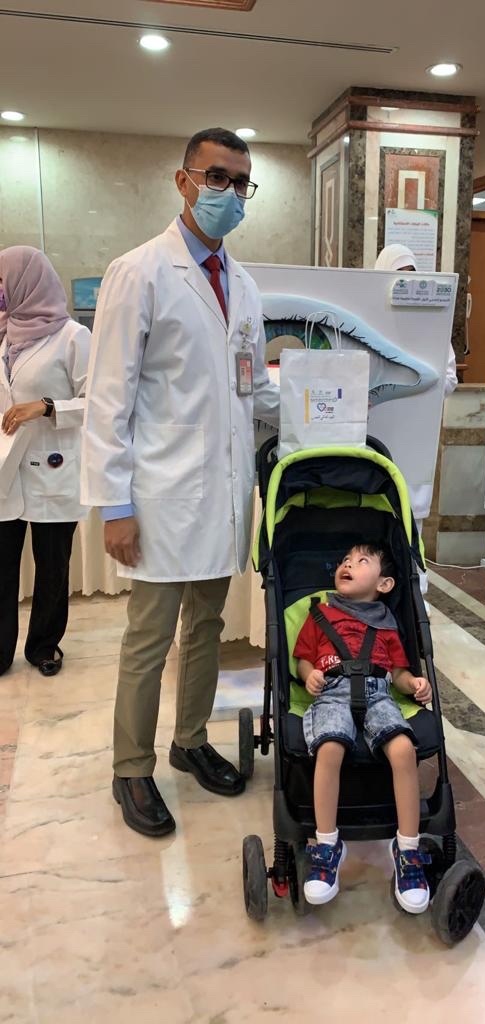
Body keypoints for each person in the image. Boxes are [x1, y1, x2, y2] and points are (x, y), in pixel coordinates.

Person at [81, 127, 279, 838]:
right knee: (149, 636)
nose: (229, 193)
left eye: (240, 182)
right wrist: (116, 505)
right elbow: (108, 398)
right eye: (216, 177)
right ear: (184, 180)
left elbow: (252, 389)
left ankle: (190, 740)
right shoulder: (139, 272)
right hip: (160, 494)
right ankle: (130, 769)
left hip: (221, 493)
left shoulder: (243, 284)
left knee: (208, 625)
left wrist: (330, 402)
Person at [294, 542, 432, 912]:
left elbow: (398, 673)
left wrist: (415, 684)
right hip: (332, 692)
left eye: (361, 561)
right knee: (330, 747)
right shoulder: (320, 614)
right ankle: (327, 844)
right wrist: (309, 675)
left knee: (403, 749)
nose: (347, 564)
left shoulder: (386, 624)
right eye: (344, 560)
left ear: (384, 584)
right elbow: (302, 659)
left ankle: (407, 849)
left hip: (379, 693)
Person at [0, 246, 90, 677]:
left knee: (52, 566)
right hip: (6, 470)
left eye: (3, 281)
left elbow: (98, 401)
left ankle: (43, 646)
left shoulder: (73, 336)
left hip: (53, 468)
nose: (0, 290)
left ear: (27, 281)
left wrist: (48, 406)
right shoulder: (3, 335)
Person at [375, 245, 459, 601]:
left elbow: (449, 378)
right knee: (375, 515)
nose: (405, 284)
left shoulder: (433, 327)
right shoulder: (369, 320)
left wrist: (420, 384)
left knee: (412, 520)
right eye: (399, 276)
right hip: (378, 432)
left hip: (415, 435)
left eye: (411, 276)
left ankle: (414, 597)